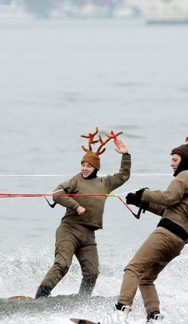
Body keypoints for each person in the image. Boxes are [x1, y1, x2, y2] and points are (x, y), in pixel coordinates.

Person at [106, 128, 188, 324]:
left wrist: (143, 193)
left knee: (133, 269)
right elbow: (170, 210)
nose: (171, 164)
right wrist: (142, 203)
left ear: (185, 161)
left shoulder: (184, 176)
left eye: (174, 160)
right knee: (146, 278)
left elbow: (169, 198)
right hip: (177, 242)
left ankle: (120, 312)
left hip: (166, 234)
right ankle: (154, 317)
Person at [35, 128, 131, 299]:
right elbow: (57, 194)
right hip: (69, 229)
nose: (85, 168)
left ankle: (83, 300)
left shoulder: (105, 183)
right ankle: (42, 294)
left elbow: (123, 176)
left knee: (92, 273)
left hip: (88, 235)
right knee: (63, 264)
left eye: (89, 166)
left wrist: (125, 155)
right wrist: (76, 205)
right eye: (83, 165)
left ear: (96, 168)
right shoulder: (76, 179)